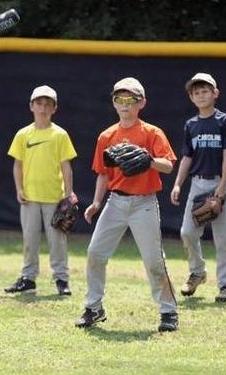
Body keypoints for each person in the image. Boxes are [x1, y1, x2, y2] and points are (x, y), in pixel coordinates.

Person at [75, 77, 179, 332]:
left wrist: (149, 160)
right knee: (95, 253)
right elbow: (102, 173)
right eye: (119, 99)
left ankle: (168, 311)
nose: (124, 104)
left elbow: (168, 165)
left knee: (154, 261)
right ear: (113, 103)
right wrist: (97, 202)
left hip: (144, 203)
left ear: (141, 103)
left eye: (130, 99)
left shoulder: (152, 133)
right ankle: (94, 307)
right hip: (116, 202)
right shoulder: (107, 136)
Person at [170, 73, 226, 303]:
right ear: (191, 97)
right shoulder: (191, 125)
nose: (201, 95)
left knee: (223, 238)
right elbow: (187, 156)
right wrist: (178, 184)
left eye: (205, 91)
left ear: (215, 93)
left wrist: (222, 186)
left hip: (221, 180)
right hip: (197, 183)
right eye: (196, 92)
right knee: (187, 232)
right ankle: (197, 272)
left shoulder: (225, 121)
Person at [4, 85, 78, 296]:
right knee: (30, 239)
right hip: (29, 197)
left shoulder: (60, 134)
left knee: (57, 241)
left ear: (54, 109)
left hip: (55, 197)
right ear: (31, 106)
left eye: (48, 104)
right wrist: (19, 189)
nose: (43, 108)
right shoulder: (23, 134)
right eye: (39, 103)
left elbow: (66, 167)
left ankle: (62, 279)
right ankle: (28, 278)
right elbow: (18, 164)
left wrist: (68, 195)